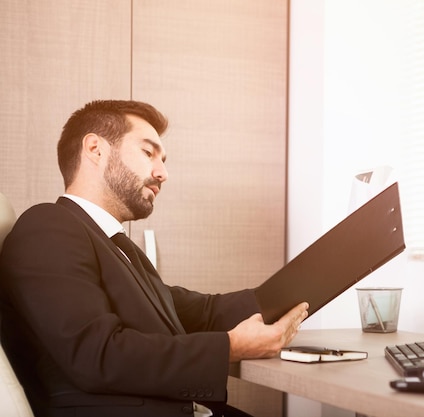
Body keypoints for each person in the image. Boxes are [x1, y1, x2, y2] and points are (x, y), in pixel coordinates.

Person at [0, 100, 309, 417]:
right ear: (95, 149)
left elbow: (200, 311)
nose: (162, 173)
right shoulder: (48, 226)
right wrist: (232, 346)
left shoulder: (118, 247)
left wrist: (310, 285)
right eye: (149, 153)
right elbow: (97, 356)